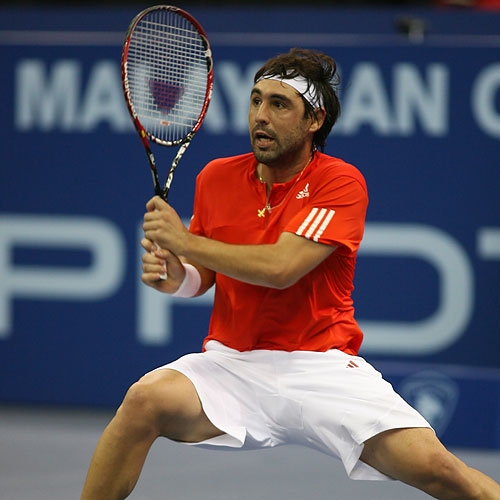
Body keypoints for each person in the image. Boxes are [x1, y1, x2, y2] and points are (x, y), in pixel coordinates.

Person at [81, 48, 500, 500]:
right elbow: (203, 275)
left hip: (320, 367)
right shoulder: (216, 178)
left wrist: (183, 242)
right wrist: (175, 277)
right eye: (256, 100)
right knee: (144, 400)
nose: (260, 115)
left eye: (279, 104)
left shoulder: (339, 182)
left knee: (442, 472)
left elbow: (281, 269)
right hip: (232, 365)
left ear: (314, 119)